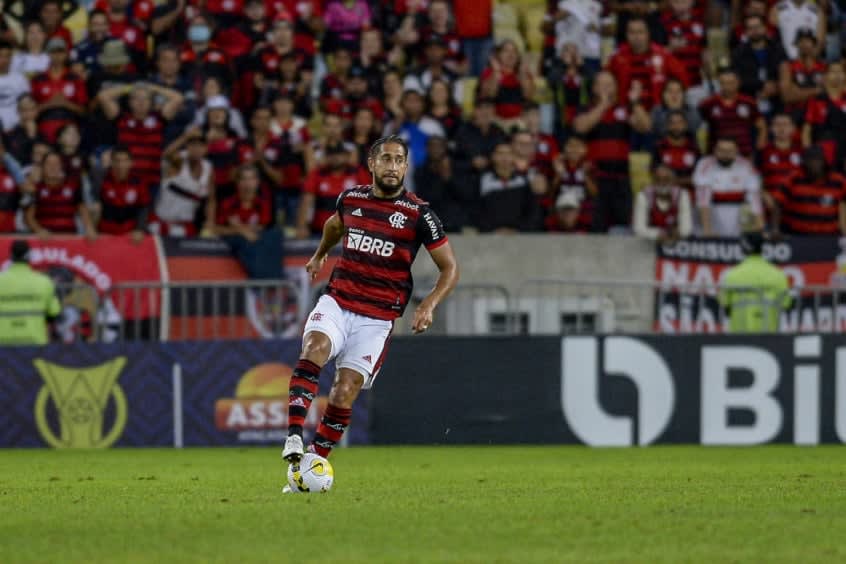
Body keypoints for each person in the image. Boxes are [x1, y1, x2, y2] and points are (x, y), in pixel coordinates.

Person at [280, 135, 459, 478]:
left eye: (398, 161)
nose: (392, 167)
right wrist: (320, 254)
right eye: (386, 159)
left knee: (344, 391)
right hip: (338, 300)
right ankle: (293, 436)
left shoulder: (419, 214)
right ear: (372, 164)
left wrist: (428, 305)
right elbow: (335, 225)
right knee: (314, 348)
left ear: (406, 167)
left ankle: (309, 466)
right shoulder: (351, 198)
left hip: (377, 319)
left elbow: (450, 267)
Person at [719, 229, 790, 333]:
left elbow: (725, 306)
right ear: (762, 247)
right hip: (770, 337)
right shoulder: (779, 276)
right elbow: (785, 305)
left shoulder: (731, 276)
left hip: (738, 339)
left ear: (743, 248)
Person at [693, 137, 764, 237]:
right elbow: (703, 200)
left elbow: (754, 200)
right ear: (715, 151)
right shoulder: (705, 164)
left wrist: (760, 229)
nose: (725, 154)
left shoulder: (746, 166)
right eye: (721, 150)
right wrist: (707, 231)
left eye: (730, 151)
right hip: (712, 214)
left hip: (738, 216)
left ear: (736, 151)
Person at [773, 145, 846, 235]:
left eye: (817, 160)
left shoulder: (838, 181)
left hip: (829, 238)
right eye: (810, 160)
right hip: (797, 236)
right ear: (804, 162)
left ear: (824, 161)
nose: (813, 164)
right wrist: (775, 230)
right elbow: (777, 203)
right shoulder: (793, 179)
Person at [0, 240, 62, 346]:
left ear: (11, 256)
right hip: (34, 343)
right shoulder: (44, 282)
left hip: (3, 345)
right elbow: (54, 312)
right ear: (29, 257)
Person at [633, 163, 693, 242]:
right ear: (652, 179)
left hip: (676, 240)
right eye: (658, 179)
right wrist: (658, 234)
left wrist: (679, 232)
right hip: (649, 242)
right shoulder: (643, 196)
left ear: (673, 179)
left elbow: (687, 228)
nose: (662, 183)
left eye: (666, 179)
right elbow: (639, 228)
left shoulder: (682, 195)